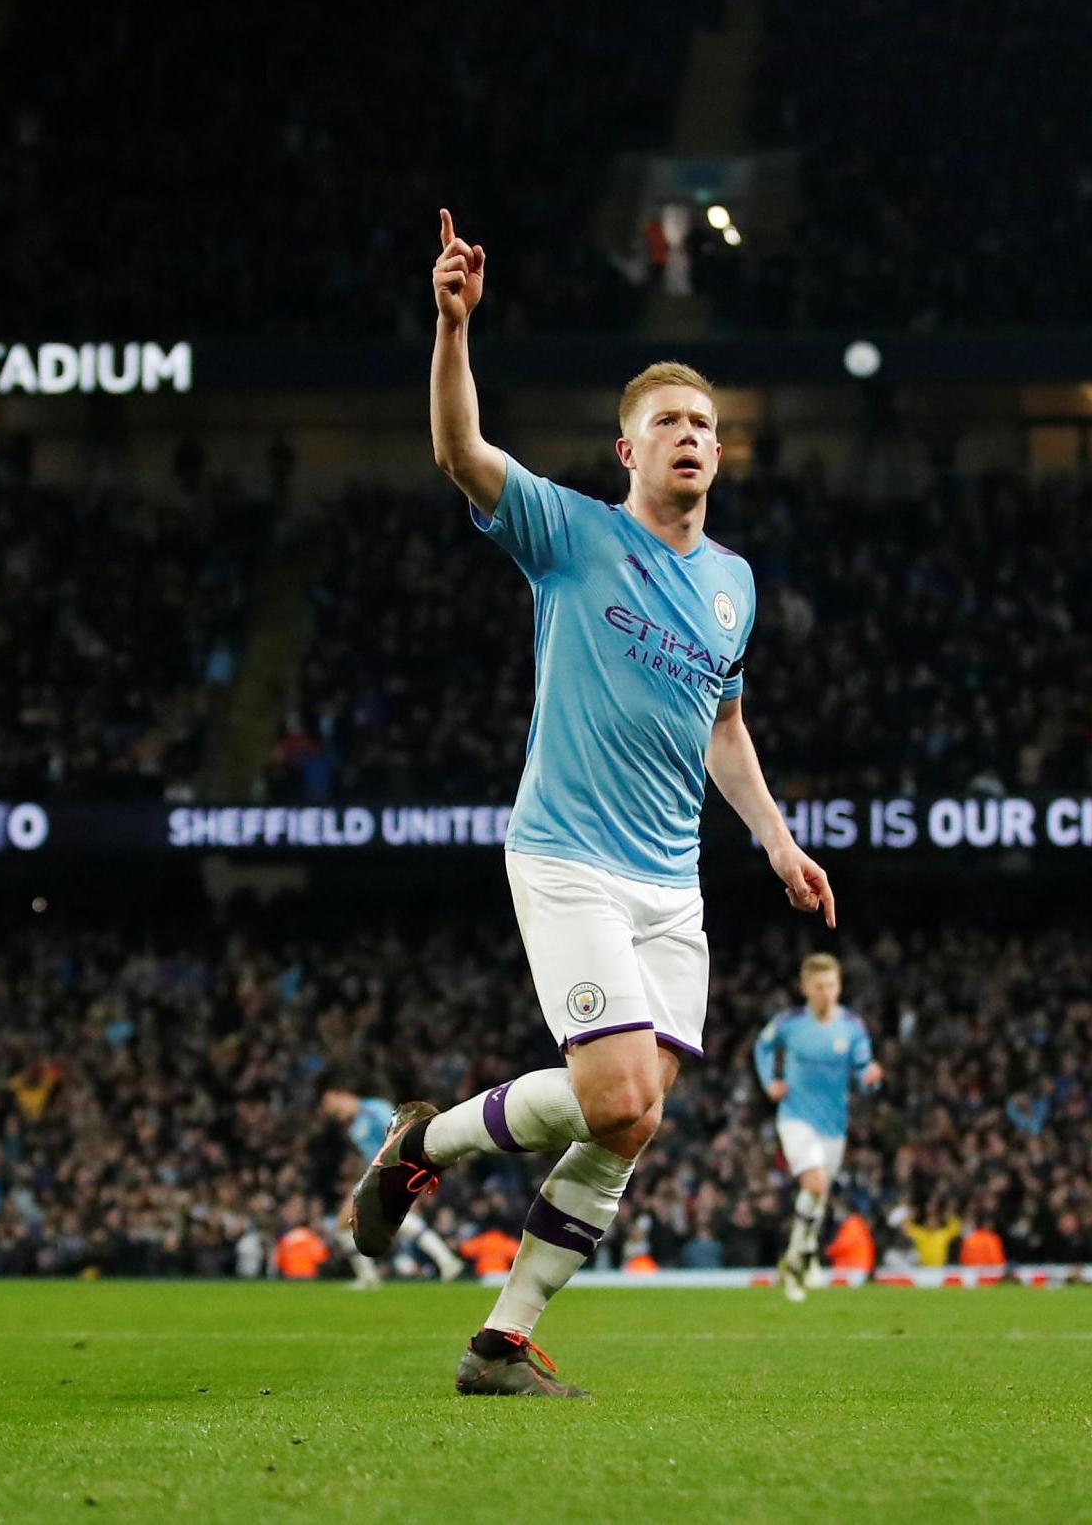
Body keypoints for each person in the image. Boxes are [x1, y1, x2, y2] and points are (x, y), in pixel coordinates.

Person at [348, 209, 836, 1398]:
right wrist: (452, 329)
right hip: (567, 856)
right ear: (626, 451)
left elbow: (725, 726)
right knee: (617, 1093)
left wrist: (776, 842)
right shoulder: (569, 533)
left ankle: (500, 1343)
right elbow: (462, 454)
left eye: (707, 426)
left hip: (674, 888)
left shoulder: (733, 588)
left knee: (631, 1123)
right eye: (669, 422)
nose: (692, 436)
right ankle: (428, 1145)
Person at [752, 954, 883, 1302]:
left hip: (834, 1127)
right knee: (816, 1182)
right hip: (795, 1118)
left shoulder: (852, 1027)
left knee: (817, 1196)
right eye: (819, 987)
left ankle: (800, 1254)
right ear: (805, 988)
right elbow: (762, 1048)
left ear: (839, 987)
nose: (826, 993)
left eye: (831, 986)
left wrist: (870, 1080)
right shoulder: (789, 1023)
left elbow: (862, 1070)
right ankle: (798, 1264)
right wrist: (770, 1082)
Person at [320, 1087, 463, 1286]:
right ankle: (446, 1261)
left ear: (344, 1094)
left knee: (347, 1221)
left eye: (334, 1106)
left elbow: (403, 1133)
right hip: (377, 1173)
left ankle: (369, 1276)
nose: (336, 1113)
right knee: (352, 1222)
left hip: (394, 1170)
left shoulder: (375, 1109)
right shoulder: (353, 1125)